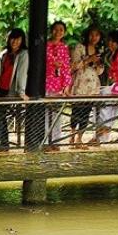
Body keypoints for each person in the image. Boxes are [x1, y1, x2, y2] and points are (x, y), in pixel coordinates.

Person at [0, 28, 29, 152]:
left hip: (10, 90)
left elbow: (22, 73)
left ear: (22, 40)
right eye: (13, 38)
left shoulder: (23, 54)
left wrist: (21, 92)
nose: (15, 41)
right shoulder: (5, 54)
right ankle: (4, 145)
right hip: (0, 88)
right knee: (0, 116)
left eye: (18, 39)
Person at [69, 25, 104, 148]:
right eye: (92, 34)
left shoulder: (99, 50)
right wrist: (89, 59)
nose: (94, 37)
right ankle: (71, 137)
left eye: (97, 35)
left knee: (86, 112)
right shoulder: (80, 47)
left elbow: (100, 71)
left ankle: (79, 139)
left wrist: (98, 64)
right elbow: (74, 65)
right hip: (80, 84)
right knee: (76, 110)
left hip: (92, 86)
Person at [44, 21, 72, 150]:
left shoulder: (64, 48)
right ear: (51, 31)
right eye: (55, 29)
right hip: (45, 83)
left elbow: (66, 68)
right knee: (45, 114)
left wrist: (66, 85)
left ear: (64, 32)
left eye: (61, 30)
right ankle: (44, 141)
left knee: (57, 115)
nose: (58, 32)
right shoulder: (45, 46)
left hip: (58, 85)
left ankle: (55, 141)